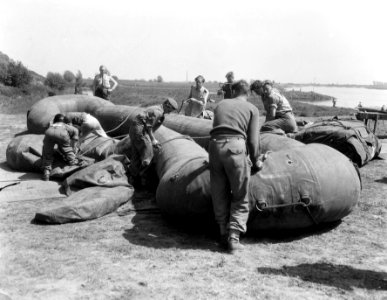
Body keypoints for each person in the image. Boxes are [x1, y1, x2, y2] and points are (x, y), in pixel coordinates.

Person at [209, 80, 261, 253]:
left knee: (219, 191)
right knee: (240, 194)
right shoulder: (252, 109)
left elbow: (216, 127)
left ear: (233, 90)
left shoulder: (221, 104)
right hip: (235, 148)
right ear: (248, 93)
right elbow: (253, 141)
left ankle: (222, 232)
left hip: (214, 147)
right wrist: (256, 160)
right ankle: (234, 238)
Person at [128, 98, 178, 180]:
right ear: (167, 105)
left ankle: (133, 176)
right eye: (170, 110)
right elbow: (149, 126)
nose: (169, 112)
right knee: (149, 155)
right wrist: (153, 140)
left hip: (135, 130)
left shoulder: (156, 109)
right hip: (140, 131)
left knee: (136, 154)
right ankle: (143, 176)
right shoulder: (157, 112)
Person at [41, 114, 80, 181]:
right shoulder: (65, 125)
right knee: (67, 150)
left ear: (55, 120)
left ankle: (46, 173)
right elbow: (76, 130)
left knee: (47, 153)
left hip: (49, 132)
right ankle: (73, 164)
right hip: (62, 134)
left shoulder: (52, 125)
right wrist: (74, 146)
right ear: (63, 121)